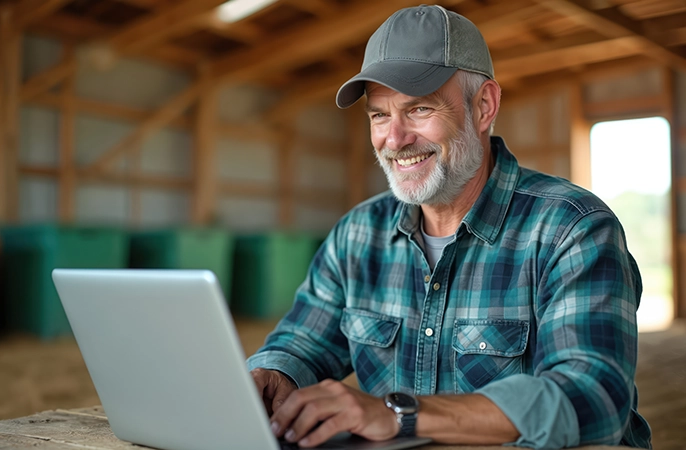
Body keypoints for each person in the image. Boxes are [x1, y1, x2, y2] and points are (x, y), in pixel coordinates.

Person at [247, 4, 652, 449]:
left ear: (484, 106)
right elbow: (302, 339)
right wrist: (274, 373)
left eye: (418, 109)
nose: (394, 139)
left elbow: (593, 400)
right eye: (380, 115)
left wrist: (396, 414)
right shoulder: (357, 234)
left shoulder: (571, 230)